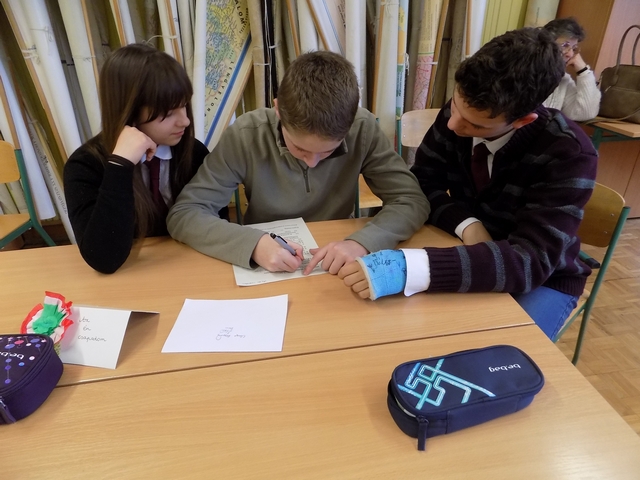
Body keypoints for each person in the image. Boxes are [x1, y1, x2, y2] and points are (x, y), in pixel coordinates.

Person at [338, 28, 598, 340]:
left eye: (475, 124)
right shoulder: (462, 113)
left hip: (543, 279)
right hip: (464, 247)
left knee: (497, 354)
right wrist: (468, 225)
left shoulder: (569, 153)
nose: (452, 124)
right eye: (456, 106)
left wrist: (414, 267)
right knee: (397, 334)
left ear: (523, 120)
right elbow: (422, 185)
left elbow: (530, 263)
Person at [167, 51, 430, 275]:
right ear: (278, 110)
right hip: (265, 259)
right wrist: (253, 244)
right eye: (300, 148)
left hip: (337, 256)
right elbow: (186, 213)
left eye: (329, 152)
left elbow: (411, 200)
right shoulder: (245, 135)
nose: (312, 163)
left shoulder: (363, 129)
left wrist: (363, 242)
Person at [64, 43, 224, 274]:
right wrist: (120, 165)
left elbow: (216, 223)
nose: (185, 121)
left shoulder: (193, 152)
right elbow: (103, 259)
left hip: (191, 265)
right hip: (132, 274)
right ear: (129, 112)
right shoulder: (84, 166)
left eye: (184, 106)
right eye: (168, 113)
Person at [542, 17, 601, 121]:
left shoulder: (563, 79)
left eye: (574, 48)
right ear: (545, 44)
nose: (570, 54)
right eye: (565, 45)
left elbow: (585, 113)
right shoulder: (524, 71)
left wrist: (584, 72)